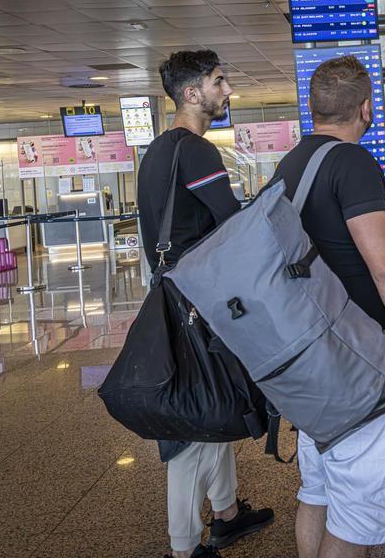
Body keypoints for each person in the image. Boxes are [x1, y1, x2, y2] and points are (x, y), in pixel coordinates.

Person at [270, 55, 385, 558]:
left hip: (308, 356)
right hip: (358, 362)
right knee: (357, 513)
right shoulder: (353, 163)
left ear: (312, 108)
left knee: (318, 491)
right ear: (367, 109)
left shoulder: (290, 164)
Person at [137, 50, 275, 558]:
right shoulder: (195, 150)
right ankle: (184, 546)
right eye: (219, 82)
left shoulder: (157, 151)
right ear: (191, 93)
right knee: (193, 424)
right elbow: (231, 224)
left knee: (212, 404)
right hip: (195, 302)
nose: (227, 91)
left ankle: (227, 515)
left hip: (173, 294)